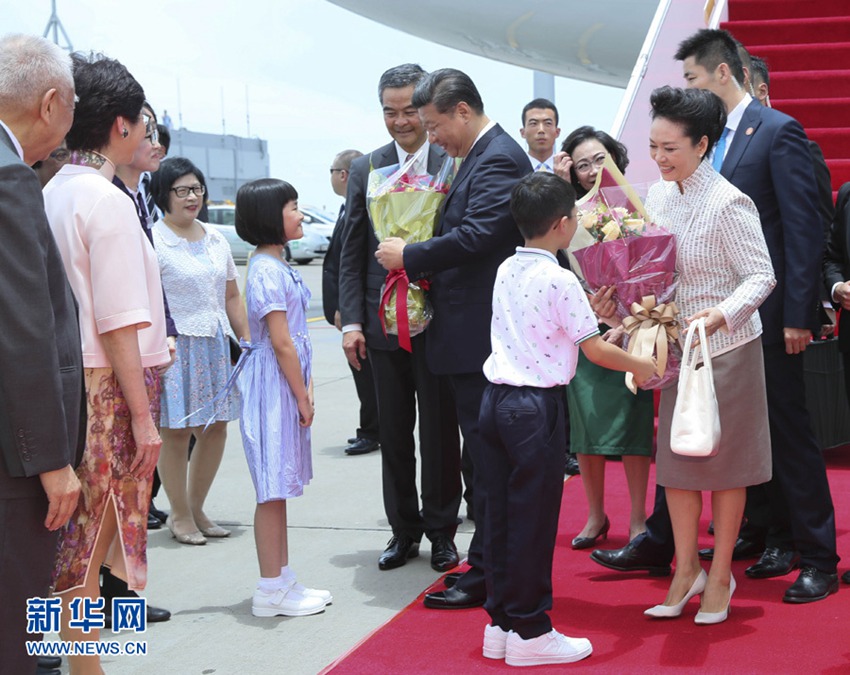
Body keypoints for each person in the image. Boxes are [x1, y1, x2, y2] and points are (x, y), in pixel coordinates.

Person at [592, 28, 840, 605]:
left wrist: (800, 313)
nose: (688, 87)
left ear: (721, 73)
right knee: (701, 445)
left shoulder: (776, 132)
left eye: (693, 78)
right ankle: (744, 539)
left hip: (760, 321)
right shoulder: (672, 176)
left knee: (782, 437)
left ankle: (817, 555)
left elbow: (802, 229)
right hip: (683, 330)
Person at [479, 171, 654, 665]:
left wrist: (587, 315)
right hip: (534, 409)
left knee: (500, 518)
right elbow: (596, 351)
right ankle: (532, 631)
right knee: (533, 521)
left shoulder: (505, 269)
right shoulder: (559, 278)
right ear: (562, 224)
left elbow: (556, 330)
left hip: (494, 401)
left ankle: (501, 623)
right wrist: (643, 364)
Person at [375, 68, 532, 608]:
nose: (433, 137)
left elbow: (480, 234)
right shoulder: (477, 157)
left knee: (486, 463)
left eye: (436, 125)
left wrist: (410, 256)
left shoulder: (498, 157)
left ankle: (489, 571)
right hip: (464, 334)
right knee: (482, 461)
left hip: (478, 336)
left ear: (462, 111)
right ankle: (486, 564)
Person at [44, 51, 170, 673]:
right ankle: (87, 668)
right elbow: (119, 321)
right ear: (121, 124)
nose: (147, 131)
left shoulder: (57, 190)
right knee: (99, 541)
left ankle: (80, 663)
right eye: (143, 120)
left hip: (71, 382)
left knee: (79, 542)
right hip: (109, 389)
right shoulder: (108, 201)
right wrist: (144, 418)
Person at [636, 85, 775, 624]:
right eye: (653, 146)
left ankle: (720, 575)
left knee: (725, 467)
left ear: (703, 144)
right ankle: (684, 568)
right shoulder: (660, 195)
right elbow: (651, 270)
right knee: (677, 467)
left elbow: (761, 274)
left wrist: (721, 314)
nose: (659, 158)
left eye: (670, 148)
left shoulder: (730, 201)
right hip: (676, 349)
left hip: (729, 349)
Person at [338, 64, 462, 573]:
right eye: (389, 111)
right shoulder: (367, 167)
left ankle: (443, 532)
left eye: (409, 110)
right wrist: (350, 321)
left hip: (436, 321)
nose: (400, 121)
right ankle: (402, 531)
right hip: (381, 323)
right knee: (393, 433)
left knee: (439, 432)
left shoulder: (452, 161)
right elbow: (352, 250)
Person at [0, 33, 84, 675]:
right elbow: (24, 327)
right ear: (51, 103)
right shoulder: (9, 180)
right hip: (16, 452)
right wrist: (50, 457)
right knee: (18, 630)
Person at [234, 178, 331, 617]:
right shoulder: (266, 270)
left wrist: (304, 389)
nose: (300, 214)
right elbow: (281, 342)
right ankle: (270, 587)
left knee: (279, 488)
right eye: (292, 206)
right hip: (273, 387)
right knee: (272, 489)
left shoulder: (273, 264)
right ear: (269, 217)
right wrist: (302, 396)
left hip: (281, 383)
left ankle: (282, 578)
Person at [554, 126, 654, 547]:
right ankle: (595, 516)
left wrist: (627, 313)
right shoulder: (567, 216)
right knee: (587, 426)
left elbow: (654, 265)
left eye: (599, 159)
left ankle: (637, 519)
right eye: (582, 165)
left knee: (633, 428)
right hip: (586, 326)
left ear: (613, 159)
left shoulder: (638, 207)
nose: (592, 169)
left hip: (632, 327)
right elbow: (556, 266)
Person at [149, 156, 249, 545]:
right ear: (164, 194)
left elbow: (231, 296)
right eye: (183, 190)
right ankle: (179, 514)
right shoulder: (153, 240)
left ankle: (196, 506)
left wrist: (247, 341)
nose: (193, 197)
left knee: (215, 429)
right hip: (175, 347)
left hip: (213, 344)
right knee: (174, 432)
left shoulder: (215, 238)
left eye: (197, 189)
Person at [322, 148, 381, 456]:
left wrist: (346, 309)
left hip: (356, 310)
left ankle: (372, 431)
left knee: (365, 373)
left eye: (331, 171)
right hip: (346, 309)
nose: (330, 177)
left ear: (343, 174)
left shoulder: (365, 209)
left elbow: (353, 264)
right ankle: (370, 427)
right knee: (363, 374)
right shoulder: (347, 208)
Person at [519, 98, 560, 172]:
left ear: (557, 132)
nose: (541, 130)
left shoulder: (567, 169)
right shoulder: (513, 170)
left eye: (548, 123)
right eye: (533, 123)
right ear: (523, 132)